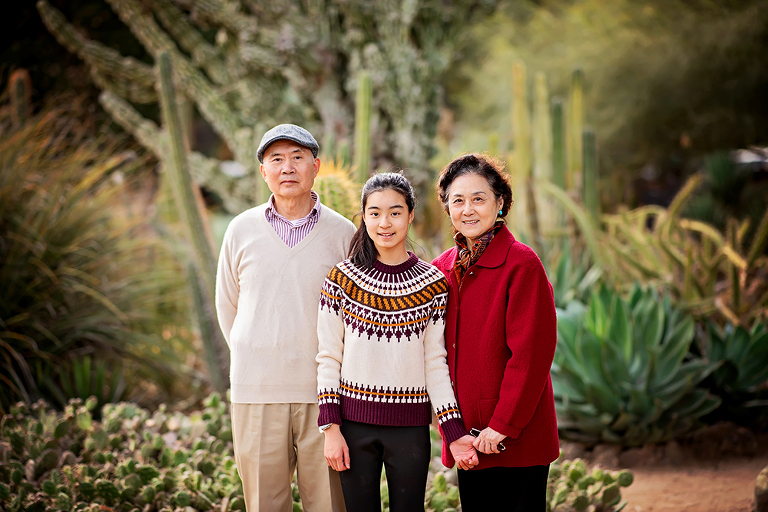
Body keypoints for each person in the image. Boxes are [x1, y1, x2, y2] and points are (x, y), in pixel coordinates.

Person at [316, 172, 478, 512]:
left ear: (410, 214)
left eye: (394, 212)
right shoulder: (341, 280)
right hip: (352, 426)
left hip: (410, 429)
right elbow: (329, 357)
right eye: (374, 213)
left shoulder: (433, 283)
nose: (384, 222)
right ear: (364, 217)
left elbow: (435, 362)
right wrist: (331, 428)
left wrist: (454, 431)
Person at [215, 124, 356, 512]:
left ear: (316, 167)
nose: (287, 167)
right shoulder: (240, 230)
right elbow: (228, 306)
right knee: (264, 504)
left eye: (297, 158)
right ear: (264, 172)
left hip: (325, 398)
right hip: (256, 393)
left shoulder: (343, 233)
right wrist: (258, 352)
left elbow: (355, 314)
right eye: (276, 159)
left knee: (329, 504)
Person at [431, 154, 559, 512]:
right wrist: (453, 434)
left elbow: (531, 356)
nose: (468, 209)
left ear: (499, 202)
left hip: (517, 438)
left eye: (478, 198)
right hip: (469, 440)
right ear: (447, 207)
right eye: (458, 200)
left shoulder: (522, 264)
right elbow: (434, 357)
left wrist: (502, 425)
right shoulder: (440, 269)